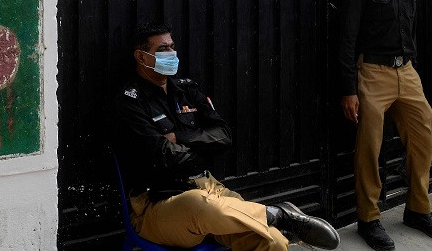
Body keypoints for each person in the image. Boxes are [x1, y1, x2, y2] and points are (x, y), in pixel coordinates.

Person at [113, 22, 340, 251]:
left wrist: (180, 137)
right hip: (158, 205)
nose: (171, 54)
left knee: (273, 242)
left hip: (209, 187)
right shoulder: (131, 101)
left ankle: (275, 219)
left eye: (172, 47)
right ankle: (279, 214)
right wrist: (203, 147)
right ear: (141, 57)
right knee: (201, 206)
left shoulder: (187, 89)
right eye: (163, 50)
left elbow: (223, 136)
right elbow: (165, 158)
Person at [339, 0, 432, 251]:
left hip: (408, 72)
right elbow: (347, 38)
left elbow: (411, 28)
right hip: (373, 73)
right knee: (370, 148)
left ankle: (418, 209)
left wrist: (411, 65)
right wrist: (349, 88)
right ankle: (369, 218)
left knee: (422, 139)